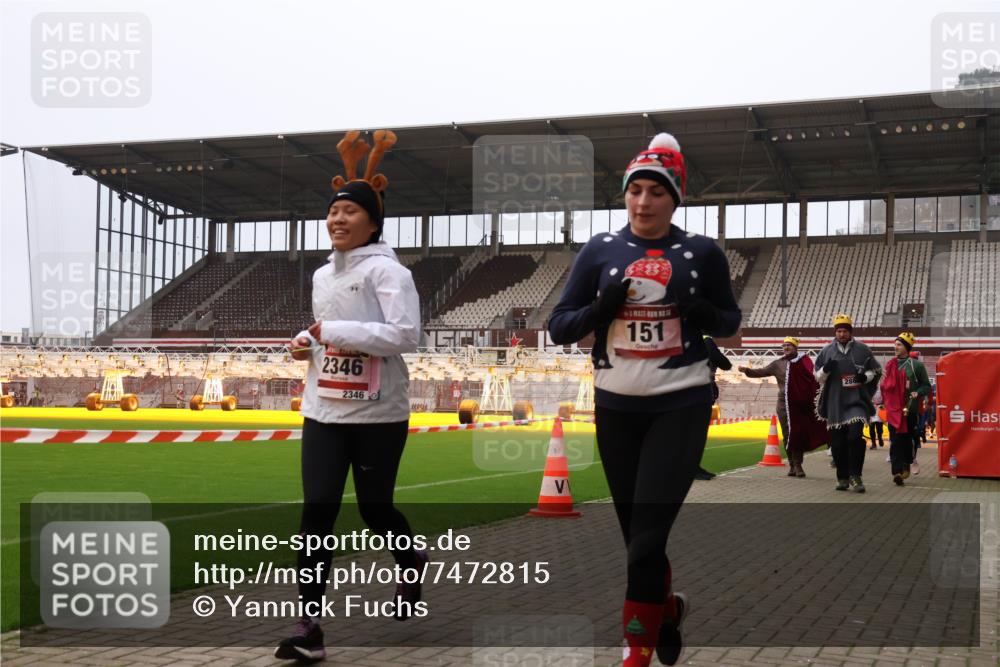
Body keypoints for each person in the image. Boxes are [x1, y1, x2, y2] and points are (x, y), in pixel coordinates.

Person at [548, 133, 741, 667]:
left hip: (680, 403)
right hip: (616, 406)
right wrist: (598, 309)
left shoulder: (702, 252)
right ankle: (668, 609)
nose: (643, 202)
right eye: (635, 190)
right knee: (637, 535)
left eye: (656, 191)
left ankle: (635, 649)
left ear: (674, 198)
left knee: (648, 536)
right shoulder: (600, 250)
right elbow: (559, 325)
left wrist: (701, 311)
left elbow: (730, 323)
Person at [277, 130, 425, 663]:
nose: (337, 219)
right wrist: (305, 342)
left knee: (375, 510)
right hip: (323, 409)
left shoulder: (389, 270)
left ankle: (411, 566)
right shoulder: (322, 273)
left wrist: (332, 332)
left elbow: (406, 336)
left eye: (348, 211)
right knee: (316, 513)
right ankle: (309, 627)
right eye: (333, 211)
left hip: (379, 413)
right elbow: (324, 331)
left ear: (373, 221)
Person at [737, 336, 826, 477]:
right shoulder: (777, 364)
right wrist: (747, 370)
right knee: (787, 434)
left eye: (789, 345)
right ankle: (792, 464)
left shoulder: (804, 361)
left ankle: (798, 465)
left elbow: (812, 379)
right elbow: (760, 372)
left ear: (795, 347)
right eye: (784, 346)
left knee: (797, 433)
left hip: (799, 403)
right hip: (783, 403)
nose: (786, 348)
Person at [814, 314, 881, 493]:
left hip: (856, 401)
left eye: (844, 331)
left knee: (854, 437)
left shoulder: (863, 350)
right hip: (835, 402)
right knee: (837, 443)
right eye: (839, 331)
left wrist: (864, 377)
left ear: (851, 332)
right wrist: (825, 370)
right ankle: (842, 478)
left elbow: (874, 372)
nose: (841, 334)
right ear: (835, 332)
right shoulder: (826, 351)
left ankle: (856, 476)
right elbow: (818, 377)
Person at [880, 333, 931, 486]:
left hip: (910, 409)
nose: (895, 347)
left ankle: (907, 464)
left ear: (907, 347)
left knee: (908, 439)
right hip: (894, 410)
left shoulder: (916, 366)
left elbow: (926, 385)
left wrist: (918, 392)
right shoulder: (890, 364)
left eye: (899, 345)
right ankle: (896, 471)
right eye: (895, 344)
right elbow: (886, 386)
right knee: (895, 440)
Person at [695, 336, 733, 481]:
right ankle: (693, 469)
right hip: (700, 391)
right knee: (697, 434)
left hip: (682, 392)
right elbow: (725, 364)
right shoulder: (707, 341)